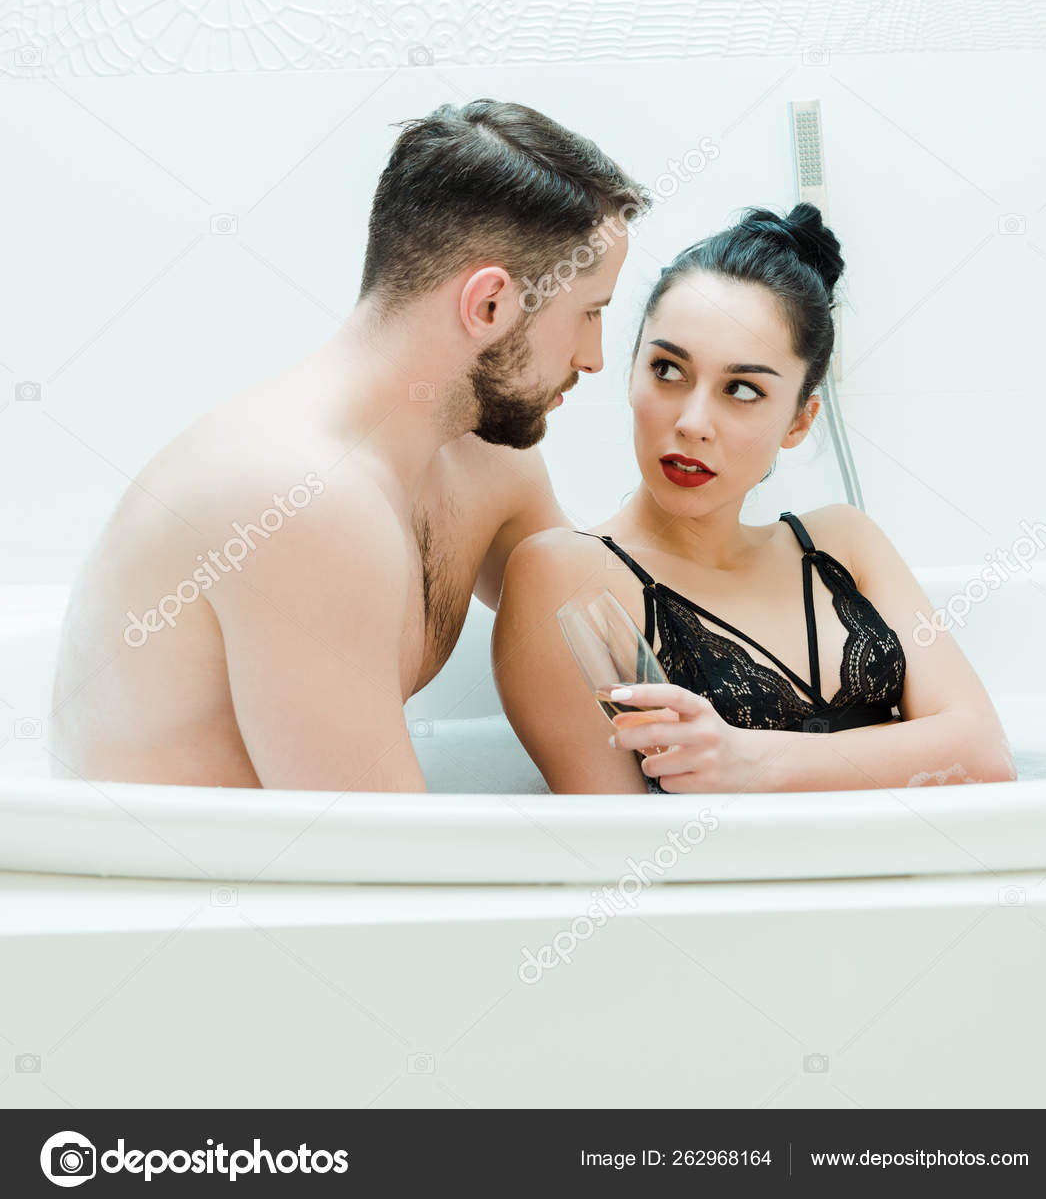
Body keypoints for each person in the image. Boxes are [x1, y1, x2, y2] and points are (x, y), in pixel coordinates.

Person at [50, 99, 649, 790]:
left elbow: (627, 650)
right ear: (489, 305)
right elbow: (377, 862)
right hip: (170, 889)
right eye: (590, 313)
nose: (598, 356)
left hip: (300, 878)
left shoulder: (488, 460)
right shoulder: (299, 499)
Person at [493, 204, 1018, 793]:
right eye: (667, 370)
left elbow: (985, 754)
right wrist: (900, 745)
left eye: (741, 389)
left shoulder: (842, 544)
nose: (692, 422)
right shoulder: (569, 574)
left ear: (800, 420)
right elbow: (629, 850)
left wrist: (753, 761)